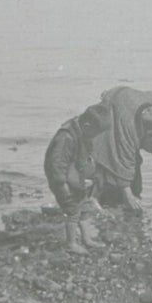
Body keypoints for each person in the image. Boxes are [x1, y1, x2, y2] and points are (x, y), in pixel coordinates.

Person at [87, 86, 152, 212]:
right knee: (106, 161)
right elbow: (122, 165)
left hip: (115, 101)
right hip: (103, 128)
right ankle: (94, 199)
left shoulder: (147, 113)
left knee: (132, 161)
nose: (150, 152)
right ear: (150, 137)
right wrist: (129, 196)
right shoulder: (130, 134)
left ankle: (124, 196)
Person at [44, 105, 110, 253]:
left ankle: (87, 239)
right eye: (95, 133)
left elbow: (84, 157)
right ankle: (71, 243)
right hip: (61, 180)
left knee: (84, 208)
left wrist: (88, 176)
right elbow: (57, 164)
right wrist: (62, 185)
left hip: (75, 176)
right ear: (87, 125)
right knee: (73, 211)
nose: (95, 136)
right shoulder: (66, 137)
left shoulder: (81, 133)